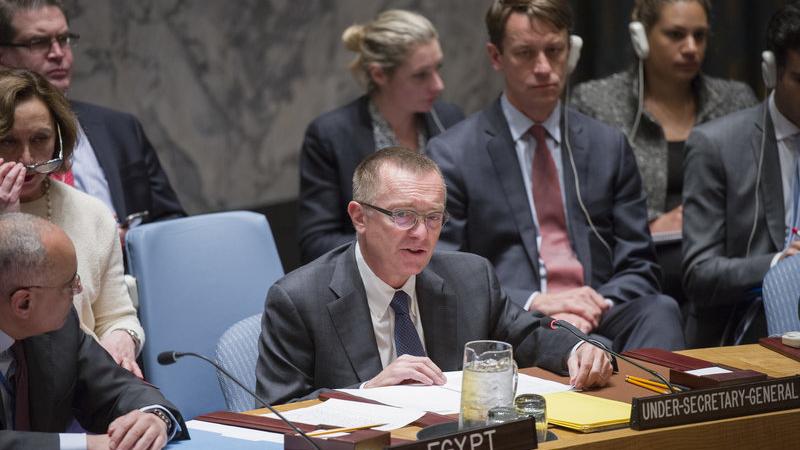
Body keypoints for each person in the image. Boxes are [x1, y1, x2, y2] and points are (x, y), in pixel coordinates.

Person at [256, 147, 613, 405]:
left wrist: (579, 348)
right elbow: (277, 411)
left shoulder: (470, 278)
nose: (421, 234)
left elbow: (531, 336)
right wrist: (366, 393)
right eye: (403, 216)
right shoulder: (300, 300)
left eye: (433, 217)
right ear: (360, 217)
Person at [427, 0, 685, 352]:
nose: (544, 68)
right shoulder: (453, 154)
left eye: (554, 50)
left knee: (661, 310)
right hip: (515, 318)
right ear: (496, 56)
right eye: (525, 53)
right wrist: (539, 302)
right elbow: (445, 270)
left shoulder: (607, 145)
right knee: (589, 347)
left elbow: (639, 264)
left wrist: (591, 307)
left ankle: (643, 390)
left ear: (571, 51)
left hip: (598, 307)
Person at [571, 0, 757, 303]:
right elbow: (581, 203)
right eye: (676, 35)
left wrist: (702, 223)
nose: (691, 48)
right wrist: (650, 223)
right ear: (641, 37)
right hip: (635, 261)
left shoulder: (736, 100)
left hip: (720, 258)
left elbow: (757, 192)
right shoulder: (596, 102)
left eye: (700, 36)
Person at [0, 212, 188, 449]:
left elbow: (115, 387)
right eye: (70, 284)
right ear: (24, 303)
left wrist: (154, 417)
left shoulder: (59, 329)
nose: (79, 290)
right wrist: (88, 445)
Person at [0, 0, 185, 240]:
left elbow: (172, 222)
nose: (58, 53)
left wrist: (129, 240)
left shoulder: (121, 128)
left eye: (64, 39)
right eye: (38, 42)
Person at [0, 68, 143, 376]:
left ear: (59, 140)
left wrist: (122, 338)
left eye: (40, 139)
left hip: (84, 386)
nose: (27, 159)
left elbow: (116, 315)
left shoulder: (93, 213)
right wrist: (6, 224)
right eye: (8, 141)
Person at [298, 9, 464, 263]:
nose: (438, 85)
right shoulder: (331, 135)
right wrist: (396, 246)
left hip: (449, 267)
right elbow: (316, 242)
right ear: (379, 74)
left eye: (437, 69)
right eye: (421, 75)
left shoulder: (450, 119)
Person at [682, 3, 800, 347]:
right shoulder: (716, 146)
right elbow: (699, 274)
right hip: (747, 322)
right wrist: (780, 263)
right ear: (771, 73)